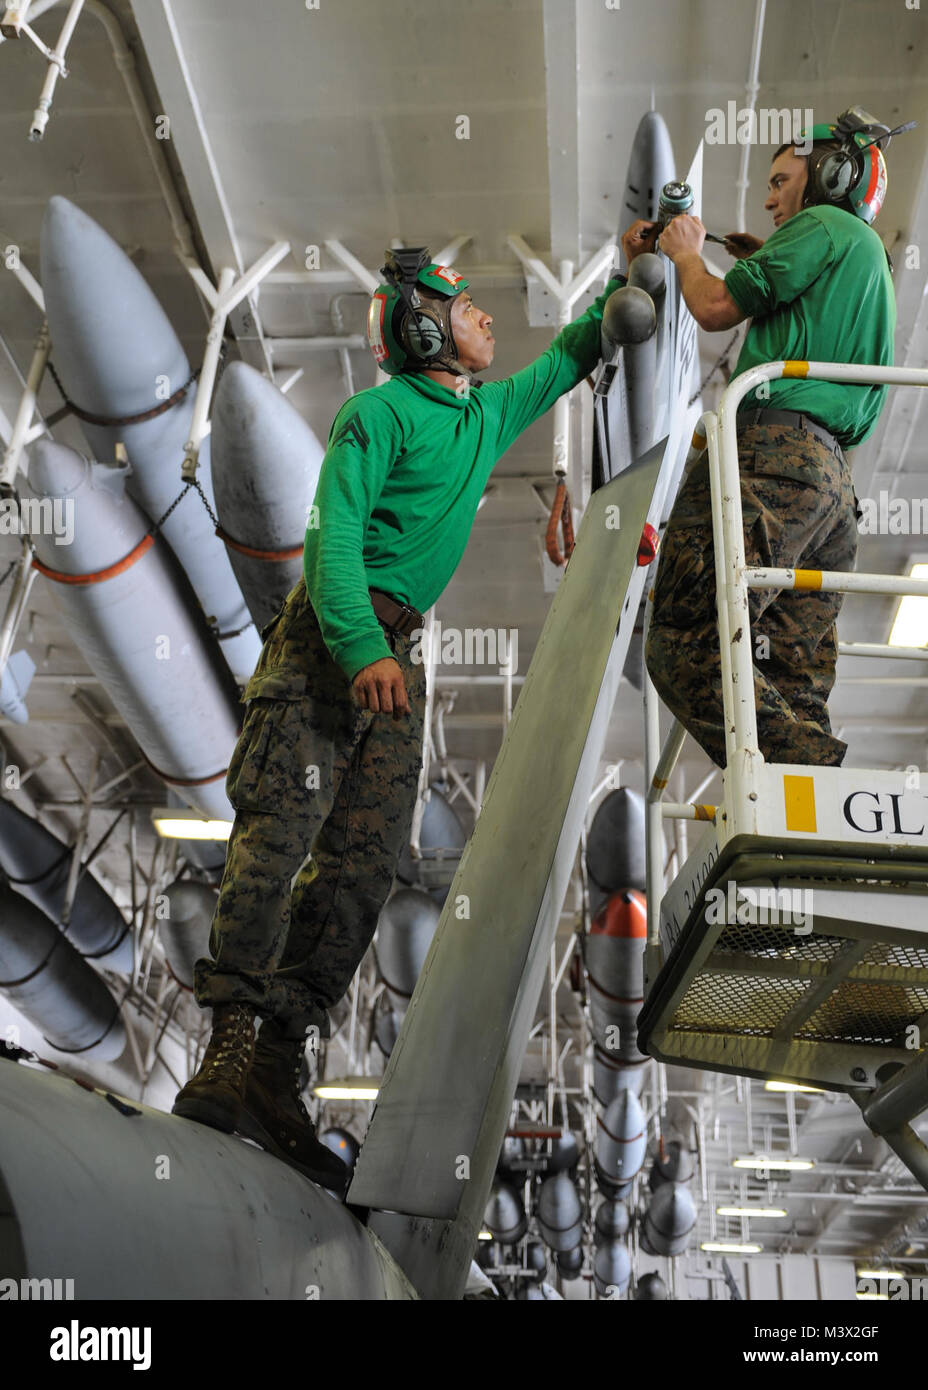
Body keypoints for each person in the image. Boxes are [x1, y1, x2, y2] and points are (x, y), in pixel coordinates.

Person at [172, 230, 654, 1192]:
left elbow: (570, 357)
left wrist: (631, 270)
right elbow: (330, 542)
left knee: (357, 871)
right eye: (465, 304)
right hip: (331, 646)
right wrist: (357, 651)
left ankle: (277, 1068)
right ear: (427, 328)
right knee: (278, 839)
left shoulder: (480, 417)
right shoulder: (373, 415)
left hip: (403, 660)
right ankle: (226, 1049)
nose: (484, 316)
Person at [644, 108, 898, 769]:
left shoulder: (822, 226)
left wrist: (686, 255)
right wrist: (762, 258)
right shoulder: (869, 262)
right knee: (793, 674)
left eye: (782, 180)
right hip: (831, 488)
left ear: (830, 174)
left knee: (681, 637)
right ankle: (808, 794)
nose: (769, 197)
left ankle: (809, 767)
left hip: (771, 460)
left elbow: (715, 308)